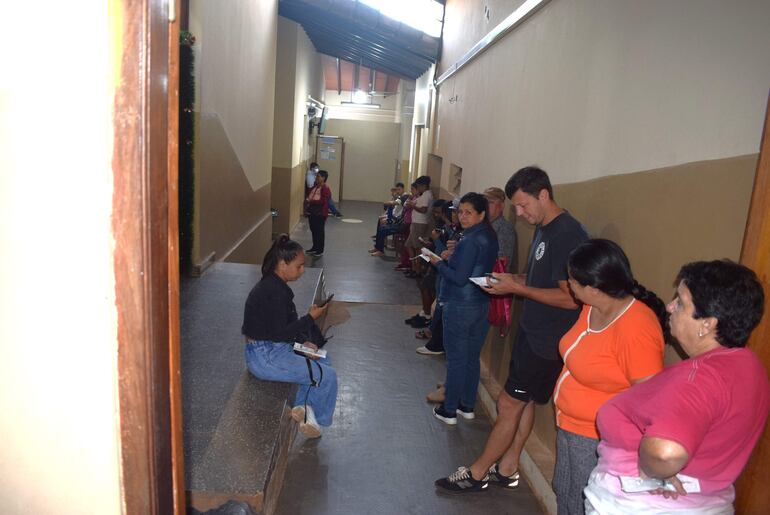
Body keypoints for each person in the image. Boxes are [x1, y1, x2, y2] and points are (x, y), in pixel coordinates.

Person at [435, 166, 588, 494]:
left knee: (508, 405)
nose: (518, 213)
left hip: (547, 340)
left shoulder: (567, 235)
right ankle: (508, 466)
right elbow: (539, 281)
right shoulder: (544, 228)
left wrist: (518, 290)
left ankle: (477, 473)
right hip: (532, 331)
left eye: (522, 205)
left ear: (543, 195)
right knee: (525, 402)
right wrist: (510, 281)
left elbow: (571, 297)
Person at [583, 260, 769, 514]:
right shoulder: (748, 364)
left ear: (708, 324)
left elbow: (666, 452)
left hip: (641, 505)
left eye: (680, 302)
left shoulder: (700, 378)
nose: (670, 307)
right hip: (705, 502)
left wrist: (652, 471)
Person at [553, 239, 666, 514]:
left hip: (596, 435)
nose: (568, 284)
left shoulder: (637, 328)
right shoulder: (592, 307)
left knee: (583, 501)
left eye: (572, 280)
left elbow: (650, 399)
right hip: (568, 423)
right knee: (564, 491)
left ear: (593, 289)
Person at [241, 235, 337, 438]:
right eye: (299, 266)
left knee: (322, 357)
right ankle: (313, 419)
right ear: (283, 264)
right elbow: (278, 334)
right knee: (327, 376)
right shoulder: (274, 292)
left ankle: (304, 407)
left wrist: (304, 342)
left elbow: (281, 329)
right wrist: (310, 318)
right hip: (266, 356)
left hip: (273, 348)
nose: (302, 271)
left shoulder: (274, 285)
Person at [425, 192, 499, 426]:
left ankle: (448, 411)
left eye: (469, 212)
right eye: (461, 212)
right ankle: (466, 406)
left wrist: (438, 262)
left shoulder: (470, 240)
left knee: (457, 359)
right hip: (481, 303)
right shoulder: (488, 235)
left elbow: (458, 278)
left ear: (482, 214)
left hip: (460, 304)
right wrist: (453, 254)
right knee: (471, 358)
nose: (463, 216)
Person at [404, 176, 434, 278]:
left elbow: (423, 210)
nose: (418, 189)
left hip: (420, 224)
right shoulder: (424, 194)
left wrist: (413, 206)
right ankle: (414, 267)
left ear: (423, 186)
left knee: (417, 247)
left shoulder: (426, 195)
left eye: (419, 186)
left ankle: (417, 270)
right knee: (409, 245)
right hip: (416, 222)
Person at [484, 187, 517, 272]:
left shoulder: (505, 228)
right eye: (484, 202)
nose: (486, 205)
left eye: (490, 202)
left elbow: (502, 262)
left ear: (502, 206)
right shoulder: (483, 225)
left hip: (493, 278)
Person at [305, 170, 331, 256]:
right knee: (313, 230)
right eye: (316, 176)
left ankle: (320, 250)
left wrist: (311, 201)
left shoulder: (325, 188)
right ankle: (315, 247)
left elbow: (322, 201)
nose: (316, 177)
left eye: (318, 176)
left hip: (320, 213)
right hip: (312, 212)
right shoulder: (315, 187)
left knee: (319, 231)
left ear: (323, 178)